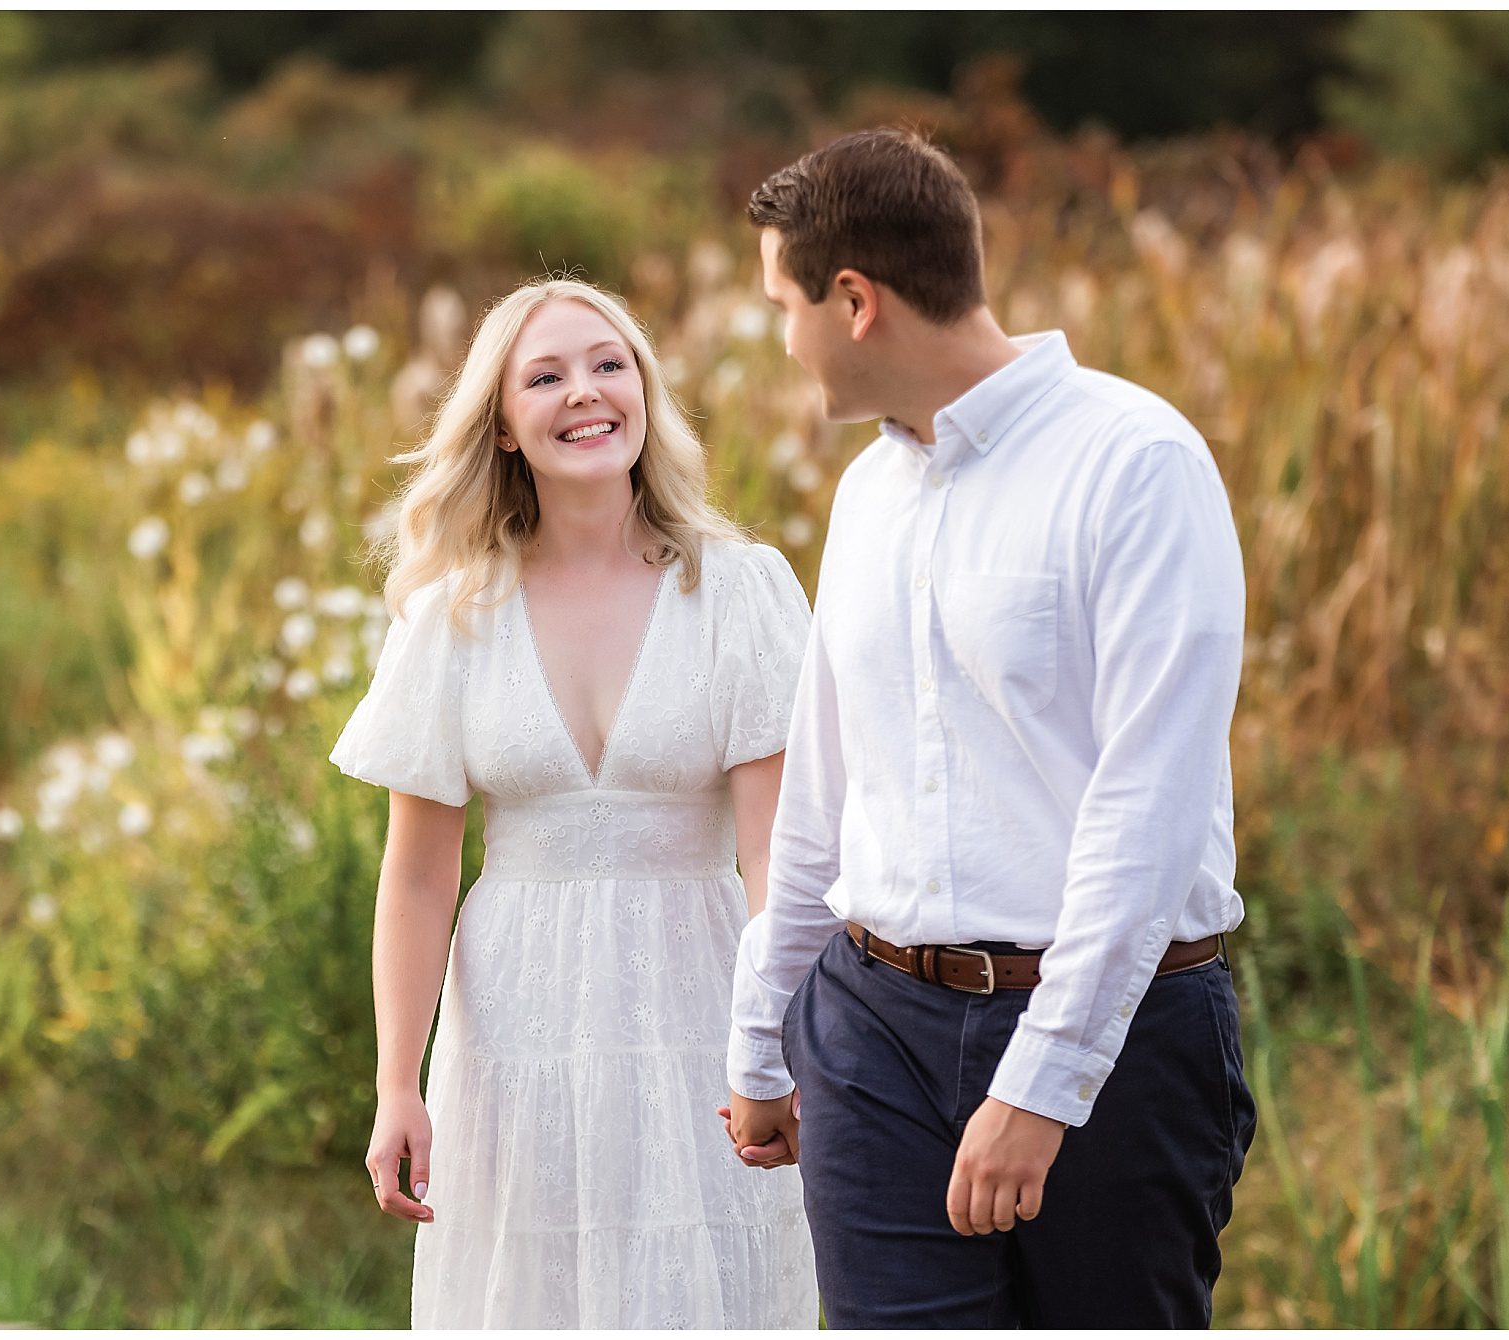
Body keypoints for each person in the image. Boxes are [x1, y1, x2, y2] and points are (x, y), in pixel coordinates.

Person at [722, 128, 1256, 1328]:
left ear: (853, 300)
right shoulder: (867, 492)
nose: (780, 338)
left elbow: (1149, 807)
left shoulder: (1134, 463)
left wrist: (1043, 1083)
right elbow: (824, 792)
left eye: (780, 305)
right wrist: (763, 1040)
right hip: (871, 1029)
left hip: (1112, 1040)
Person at [330, 277, 819, 1328]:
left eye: (608, 364)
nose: (584, 392)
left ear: (643, 391)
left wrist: (772, 1045)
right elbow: (416, 878)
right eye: (543, 375)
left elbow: (777, 857)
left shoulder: (740, 588)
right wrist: (395, 1082)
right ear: (501, 426)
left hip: (702, 1005)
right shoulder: (453, 613)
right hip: (514, 1023)